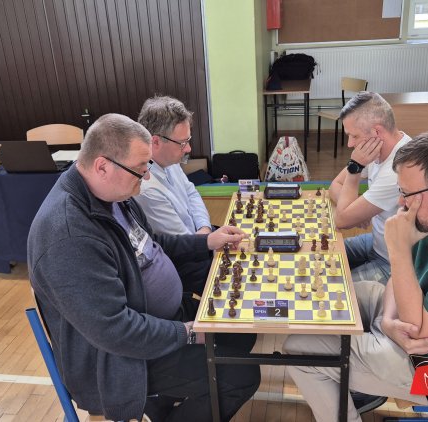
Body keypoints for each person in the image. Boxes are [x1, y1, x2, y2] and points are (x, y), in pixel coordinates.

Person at [28, 113, 260, 422]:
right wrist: (188, 333)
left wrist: (206, 242)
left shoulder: (111, 194)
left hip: (159, 318)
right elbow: (115, 331)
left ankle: (164, 404)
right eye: (140, 169)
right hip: (119, 360)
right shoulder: (69, 236)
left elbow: (152, 242)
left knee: (241, 332)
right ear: (102, 166)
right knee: (241, 376)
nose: (148, 177)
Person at [284, 131, 428, 422]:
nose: (401, 202)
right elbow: (406, 279)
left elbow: (417, 329)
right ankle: (365, 380)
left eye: (407, 193)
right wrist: (389, 323)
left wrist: (398, 249)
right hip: (422, 326)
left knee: (300, 353)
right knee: (339, 297)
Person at [329, 92, 411, 283]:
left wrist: (355, 168)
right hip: (375, 243)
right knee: (320, 256)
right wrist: (356, 208)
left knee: (333, 287)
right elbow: (335, 185)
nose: (350, 144)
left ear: (377, 132)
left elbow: (341, 220)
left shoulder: (398, 169)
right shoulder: (378, 149)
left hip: (393, 263)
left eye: (354, 136)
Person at [134, 95, 212, 236]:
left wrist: (204, 226)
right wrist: (204, 239)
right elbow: (182, 242)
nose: (188, 149)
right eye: (182, 143)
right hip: (185, 247)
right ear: (155, 142)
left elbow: (191, 193)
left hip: (199, 235)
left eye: (188, 140)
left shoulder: (170, 161)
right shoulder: (146, 188)